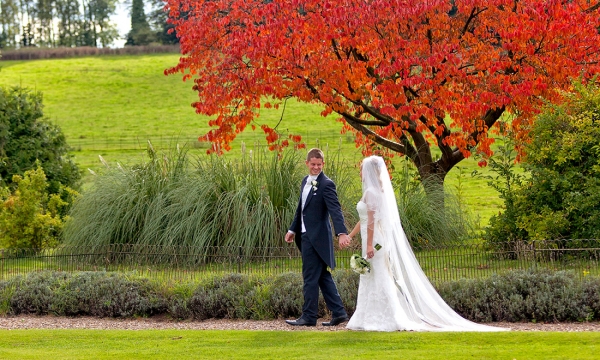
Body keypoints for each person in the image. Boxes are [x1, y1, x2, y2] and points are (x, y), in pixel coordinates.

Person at [346, 155, 509, 332]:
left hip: (374, 241)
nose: (360, 172)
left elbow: (371, 223)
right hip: (371, 240)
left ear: (368, 171)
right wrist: (351, 235)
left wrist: (369, 245)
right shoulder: (373, 192)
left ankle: (385, 316)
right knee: (371, 276)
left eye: (362, 169)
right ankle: (369, 314)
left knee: (379, 276)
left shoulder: (371, 192)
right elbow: (363, 220)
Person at [285, 148, 351, 327]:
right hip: (305, 235)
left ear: (323, 164)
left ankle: (308, 316)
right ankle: (339, 313)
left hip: (317, 238)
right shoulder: (305, 181)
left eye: (319, 165)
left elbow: (335, 210)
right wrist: (292, 230)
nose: (316, 168)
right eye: (313, 164)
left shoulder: (326, 184)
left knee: (309, 277)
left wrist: (342, 232)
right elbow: (301, 208)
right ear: (306, 163)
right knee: (322, 275)